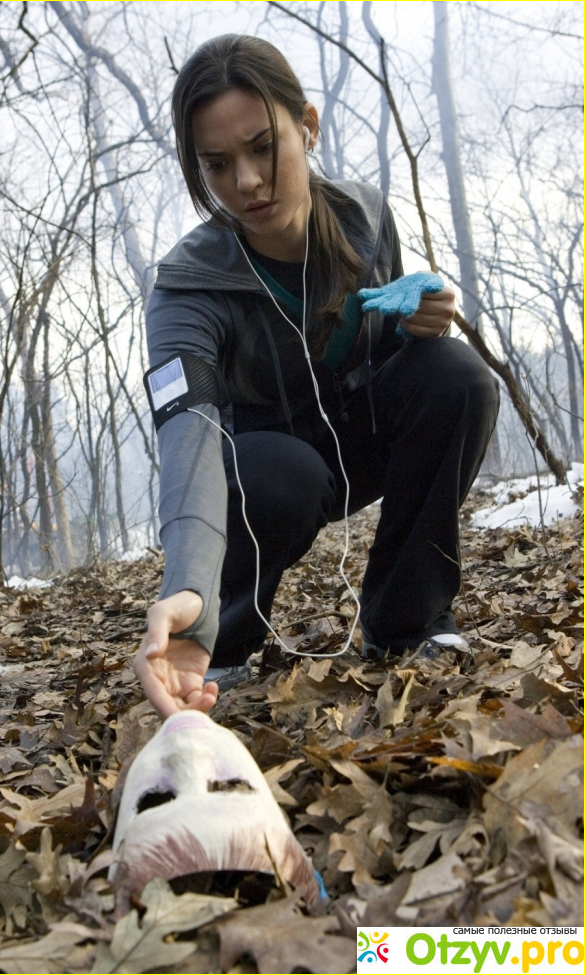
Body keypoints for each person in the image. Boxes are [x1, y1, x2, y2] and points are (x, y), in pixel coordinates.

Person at [133, 34, 499, 719]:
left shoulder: (362, 216)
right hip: (266, 477)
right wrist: (187, 590)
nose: (245, 182)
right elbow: (188, 439)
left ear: (307, 125)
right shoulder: (186, 289)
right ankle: (229, 640)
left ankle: (407, 621)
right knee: (280, 473)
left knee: (458, 378)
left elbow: (392, 360)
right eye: (217, 164)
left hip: (355, 441)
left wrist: (418, 321)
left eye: (263, 146)